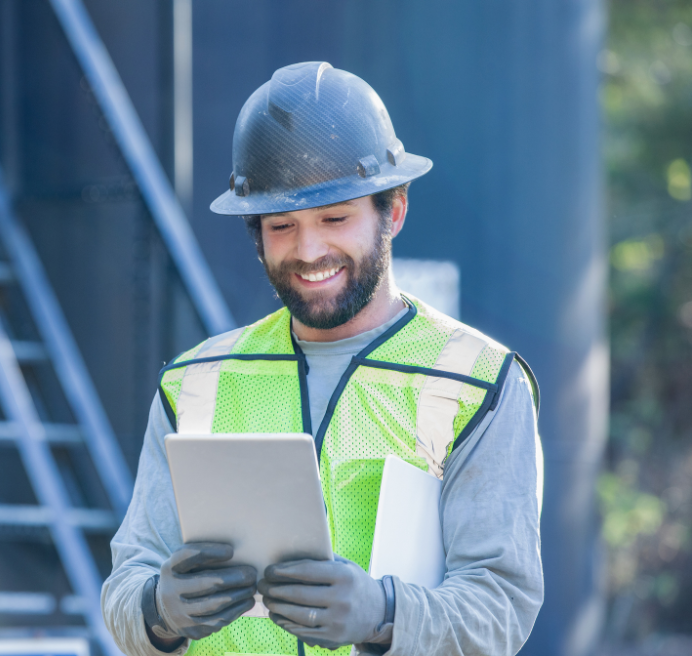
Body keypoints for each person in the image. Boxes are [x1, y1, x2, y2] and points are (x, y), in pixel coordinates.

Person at [102, 62, 543, 656]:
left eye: (335, 218)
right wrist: (157, 609)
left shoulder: (479, 382)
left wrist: (384, 614)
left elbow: (501, 607)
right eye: (282, 225)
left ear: (394, 211)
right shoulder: (194, 383)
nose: (309, 250)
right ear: (255, 234)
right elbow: (125, 586)